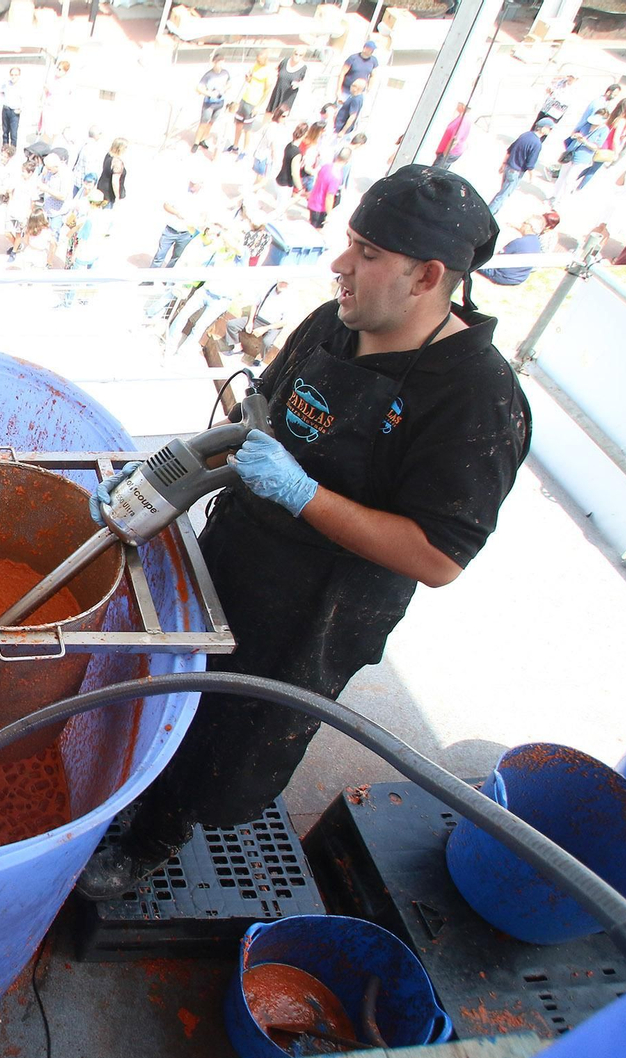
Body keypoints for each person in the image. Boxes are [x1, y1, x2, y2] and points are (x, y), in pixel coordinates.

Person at [78, 165, 530, 898]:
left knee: (232, 733)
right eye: (348, 242)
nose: (340, 265)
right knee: (171, 690)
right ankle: (126, 792)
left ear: (428, 277)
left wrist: (302, 492)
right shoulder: (337, 321)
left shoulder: (479, 399)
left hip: (315, 611)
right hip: (235, 553)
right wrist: (152, 484)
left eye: (367, 253)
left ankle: (156, 839)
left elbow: (437, 556)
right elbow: (251, 426)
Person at [488, 118, 554, 215]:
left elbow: (510, 149)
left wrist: (504, 163)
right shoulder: (537, 143)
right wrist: (532, 177)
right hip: (516, 171)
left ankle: (493, 212)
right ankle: (489, 214)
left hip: (508, 167)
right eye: (550, 128)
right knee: (503, 196)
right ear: (543, 128)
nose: (550, 131)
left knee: (502, 193)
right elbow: (530, 164)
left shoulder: (525, 135)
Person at [478, 211, 558, 286]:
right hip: (519, 278)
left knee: (476, 257)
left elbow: (498, 259)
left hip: (502, 277)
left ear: (529, 226)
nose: (522, 224)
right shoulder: (537, 243)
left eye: (524, 223)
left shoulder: (518, 242)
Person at [150, 177, 210, 267]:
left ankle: (167, 278)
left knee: (176, 257)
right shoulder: (180, 193)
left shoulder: (204, 198)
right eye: (191, 183)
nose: (192, 185)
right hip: (171, 230)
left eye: (195, 184)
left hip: (187, 233)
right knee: (160, 255)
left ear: (200, 185)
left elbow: (204, 214)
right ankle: (150, 278)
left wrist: (200, 225)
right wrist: (176, 213)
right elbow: (166, 205)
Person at [193, 53, 229, 153]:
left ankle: (203, 139)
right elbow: (198, 88)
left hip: (220, 103)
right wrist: (209, 93)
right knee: (203, 123)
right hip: (209, 103)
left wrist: (224, 89)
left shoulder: (225, 73)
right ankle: (196, 142)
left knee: (211, 122)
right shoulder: (208, 75)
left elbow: (229, 83)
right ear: (214, 63)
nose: (220, 65)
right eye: (219, 63)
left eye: (222, 63)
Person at [432, 102, 470, 171]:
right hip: (451, 152)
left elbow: (454, 140)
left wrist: (444, 155)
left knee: (435, 171)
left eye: (459, 104)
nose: (457, 105)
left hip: (449, 153)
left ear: (463, 107)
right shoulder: (462, 118)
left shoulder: (462, 121)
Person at [0, 66, 22, 149]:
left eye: (16, 75)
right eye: (12, 74)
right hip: (6, 109)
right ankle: (5, 146)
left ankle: (13, 148)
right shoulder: (6, 84)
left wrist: (20, 109)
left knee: (13, 132)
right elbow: (1, 93)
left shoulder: (21, 86)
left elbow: (25, 99)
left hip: (14, 111)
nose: (13, 77)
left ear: (19, 75)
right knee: (5, 131)